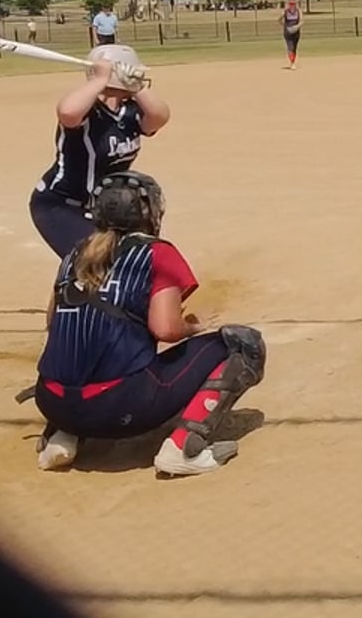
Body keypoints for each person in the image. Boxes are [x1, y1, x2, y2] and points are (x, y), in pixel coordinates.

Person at [32, 172, 266, 477]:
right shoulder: (157, 253)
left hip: (51, 401)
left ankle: (63, 434)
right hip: (120, 409)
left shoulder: (75, 253)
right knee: (244, 345)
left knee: (84, 348)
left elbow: (53, 321)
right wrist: (192, 327)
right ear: (148, 213)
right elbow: (166, 329)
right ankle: (184, 450)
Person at [28, 45, 170, 260]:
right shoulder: (89, 111)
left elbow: (160, 117)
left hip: (107, 206)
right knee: (93, 264)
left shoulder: (130, 112)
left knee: (132, 261)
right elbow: (67, 112)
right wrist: (100, 80)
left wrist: (138, 88)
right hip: (60, 205)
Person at [281, 0, 302, 70]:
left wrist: (297, 27)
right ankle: (292, 63)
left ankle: (292, 62)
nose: (292, 6)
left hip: (296, 32)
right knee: (290, 47)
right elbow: (279, 20)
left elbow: (302, 21)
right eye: (291, 4)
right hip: (288, 32)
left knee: (294, 48)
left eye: (293, 4)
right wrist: (286, 26)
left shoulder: (298, 11)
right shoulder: (286, 11)